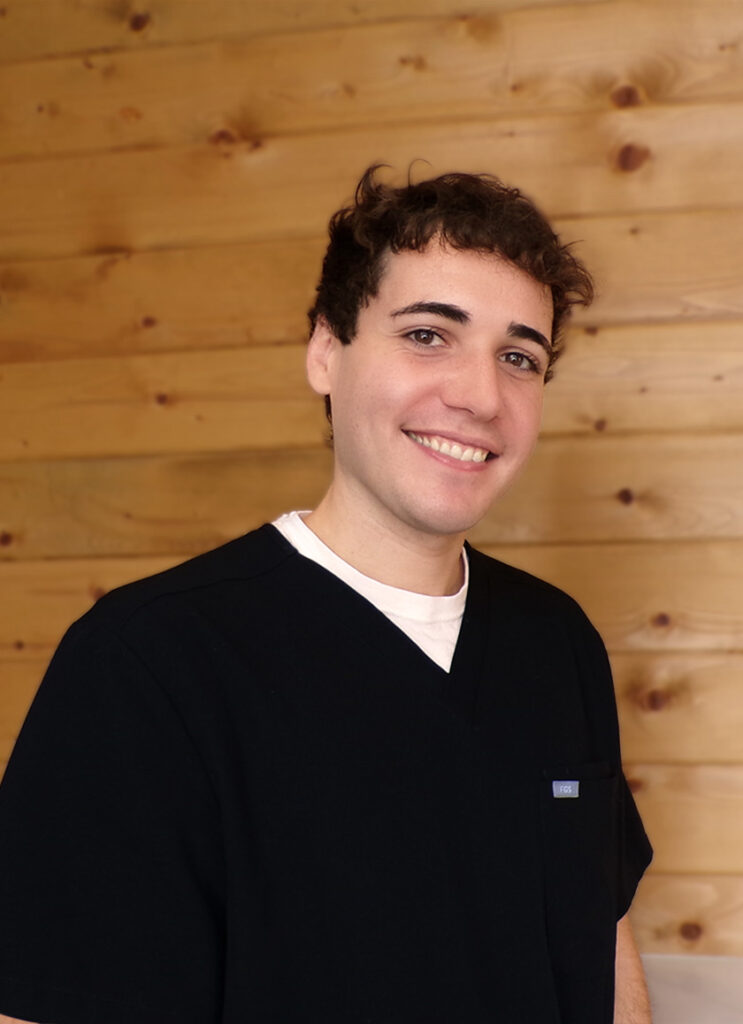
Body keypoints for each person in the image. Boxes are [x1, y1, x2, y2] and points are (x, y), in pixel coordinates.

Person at [0, 166, 652, 1023]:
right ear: (326, 351)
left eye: (517, 357)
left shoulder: (554, 641)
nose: (478, 395)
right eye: (427, 335)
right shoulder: (148, 663)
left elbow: (601, 943)